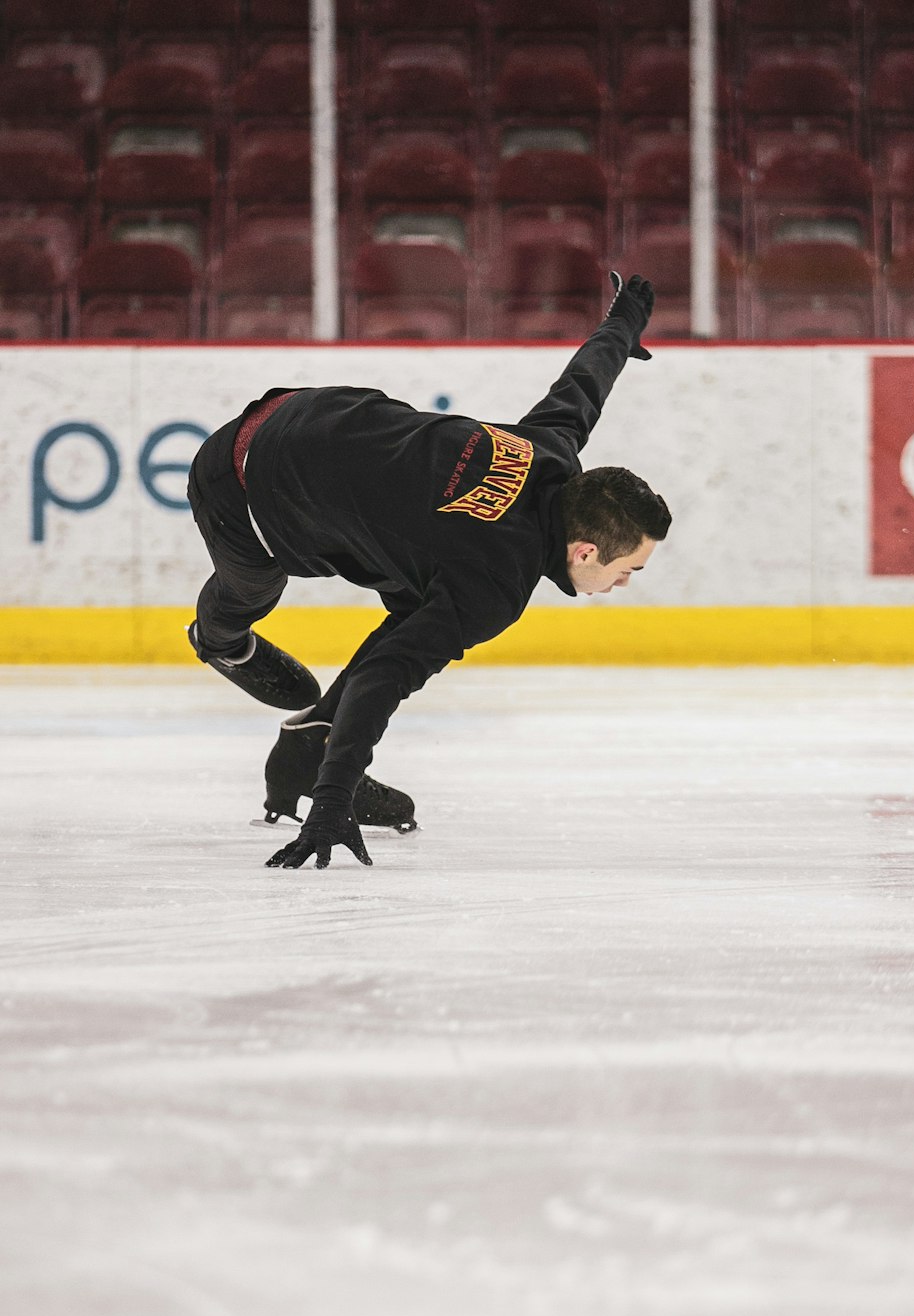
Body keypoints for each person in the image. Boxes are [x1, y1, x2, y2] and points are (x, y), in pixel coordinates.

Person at [185, 271, 671, 870]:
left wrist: (623, 321)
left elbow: (583, 387)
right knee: (251, 588)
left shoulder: (552, 455)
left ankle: (309, 747)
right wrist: (332, 803)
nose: (622, 585)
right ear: (586, 551)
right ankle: (220, 642)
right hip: (239, 485)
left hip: (312, 406)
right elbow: (381, 680)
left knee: (421, 597)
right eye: (628, 570)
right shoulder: (494, 584)